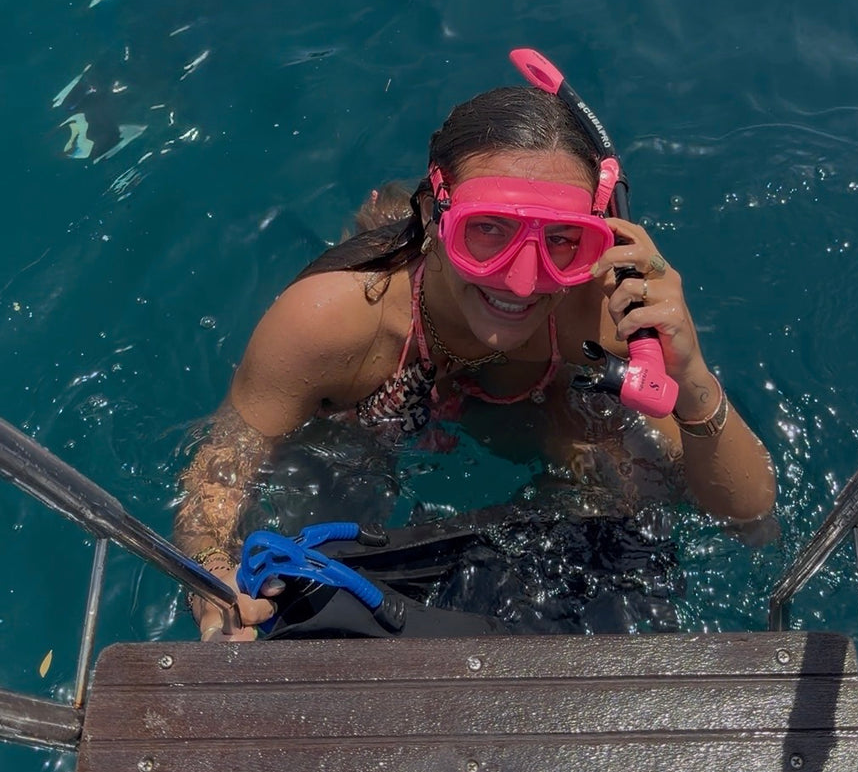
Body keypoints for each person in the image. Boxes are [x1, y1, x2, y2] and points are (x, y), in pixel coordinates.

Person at [175, 71, 776, 639]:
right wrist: (212, 576)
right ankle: (380, 220)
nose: (520, 280)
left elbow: (750, 522)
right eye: (487, 229)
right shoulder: (327, 321)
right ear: (436, 217)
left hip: (540, 399)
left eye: (563, 240)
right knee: (332, 501)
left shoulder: (602, 310)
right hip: (373, 407)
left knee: (625, 499)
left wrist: (689, 371)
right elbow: (223, 462)